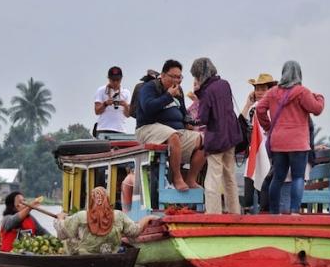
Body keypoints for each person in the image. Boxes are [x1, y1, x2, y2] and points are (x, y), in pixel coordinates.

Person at [256, 60, 325, 214]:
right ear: (299, 74)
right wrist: (320, 97)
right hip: (298, 143)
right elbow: (317, 109)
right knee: (298, 177)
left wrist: (268, 127)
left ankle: (274, 212)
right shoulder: (302, 92)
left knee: (278, 177)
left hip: (278, 141)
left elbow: (260, 108)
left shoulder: (273, 92)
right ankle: (294, 211)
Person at [135, 59, 206, 192]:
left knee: (205, 141)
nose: (177, 81)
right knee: (173, 136)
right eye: (173, 77)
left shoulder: (179, 92)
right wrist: (168, 96)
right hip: (148, 128)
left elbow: (183, 113)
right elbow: (148, 107)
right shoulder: (149, 87)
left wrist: (189, 123)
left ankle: (191, 179)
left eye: (179, 77)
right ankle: (177, 178)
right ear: (162, 75)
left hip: (176, 131)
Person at [190, 57, 241, 214]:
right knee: (230, 177)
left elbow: (203, 118)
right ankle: (234, 212)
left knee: (213, 177)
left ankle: (213, 214)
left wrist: (198, 93)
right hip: (230, 135)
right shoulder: (225, 84)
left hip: (216, 139)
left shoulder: (207, 91)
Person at [54, 186, 157, 254]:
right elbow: (135, 231)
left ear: (90, 201)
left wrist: (60, 219)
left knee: (69, 240)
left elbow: (62, 234)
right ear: (107, 200)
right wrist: (147, 218)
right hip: (110, 255)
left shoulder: (81, 216)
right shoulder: (119, 216)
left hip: (85, 256)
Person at [241, 73, 277, 213]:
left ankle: (264, 212)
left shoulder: (273, 108)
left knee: (265, 185)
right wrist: (247, 103)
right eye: (257, 89)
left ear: (270, 90)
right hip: (254, 151)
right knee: (249, 186)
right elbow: (240, 124)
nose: (259, 92)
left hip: (269, 152)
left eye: (263, 89)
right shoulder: (252, 109)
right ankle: (248, 213)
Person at [94, 66, 131, 136]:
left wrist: (125, 105)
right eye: (113, 80)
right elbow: (97, 111)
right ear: (109, 79)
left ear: (121, 79)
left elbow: (127, 115)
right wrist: (105, 104)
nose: (115, 82)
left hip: (120, 129)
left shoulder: (126, 92)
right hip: (103, 128)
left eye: (118, 80)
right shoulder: (101, 90)